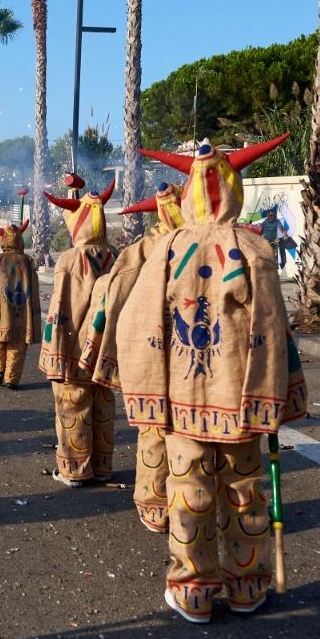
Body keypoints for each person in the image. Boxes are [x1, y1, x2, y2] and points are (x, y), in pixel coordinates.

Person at [115, 132, 304, 624]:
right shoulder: (256, 250)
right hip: (239, 402)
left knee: (189, 495)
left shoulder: (168, 248)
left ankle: (193, 591)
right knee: (244, 493)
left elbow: (137, 322)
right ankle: (246, 586)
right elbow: (275, 330)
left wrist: (144, 392)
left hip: (180, 403)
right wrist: (281, 397)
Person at [79, 182, 184, 530]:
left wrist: (94, 346)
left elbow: (112, 294)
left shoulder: (142, 250)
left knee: (155, 431)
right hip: (202, 366)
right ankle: (192, 507)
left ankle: (156, 506)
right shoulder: (228, 247)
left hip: (152, 358)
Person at [38, 184, 118, 488]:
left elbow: (60, 308)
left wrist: (54, 354)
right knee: (103, 406)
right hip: (105, 347)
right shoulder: (114, 256)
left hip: (73, 346)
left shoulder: (70, 260)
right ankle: (102, 466)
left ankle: (74, 469)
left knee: (73, 406)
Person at [0, 220, 40, 390]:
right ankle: (11, 378)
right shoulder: (27, 262)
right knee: (17, 345)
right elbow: (33, 289)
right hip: (21, 314)